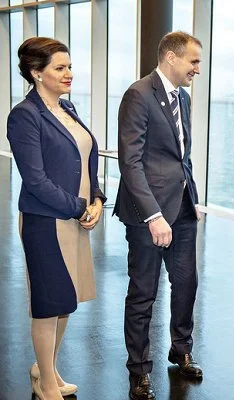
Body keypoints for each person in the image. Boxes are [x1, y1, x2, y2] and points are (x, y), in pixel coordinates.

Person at [7, 37, 106, 400]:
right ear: (36, 73)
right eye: (59, 68)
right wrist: (80, 207)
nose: (69, 74)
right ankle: (45, 383)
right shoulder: (24, 116)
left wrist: (96, 197)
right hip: (45, 221)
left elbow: (86, 158)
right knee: (49, 304)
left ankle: (44, 368)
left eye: (69, 66)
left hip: (75, 217)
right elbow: (34, 180)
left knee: (65, 300)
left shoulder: (68, 107)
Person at [113, 31, 203, 400]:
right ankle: (139, 371)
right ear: (171, 56)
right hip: (147, 213)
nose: (198, 69)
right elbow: (130, 161)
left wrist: (190, 196)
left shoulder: (182, 97)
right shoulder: (138, 94)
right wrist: (153, 215)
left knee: (187, 283)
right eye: (193, 61)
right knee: (143, 292)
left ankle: (180, 349)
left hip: (181, 207)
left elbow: (179, 155)